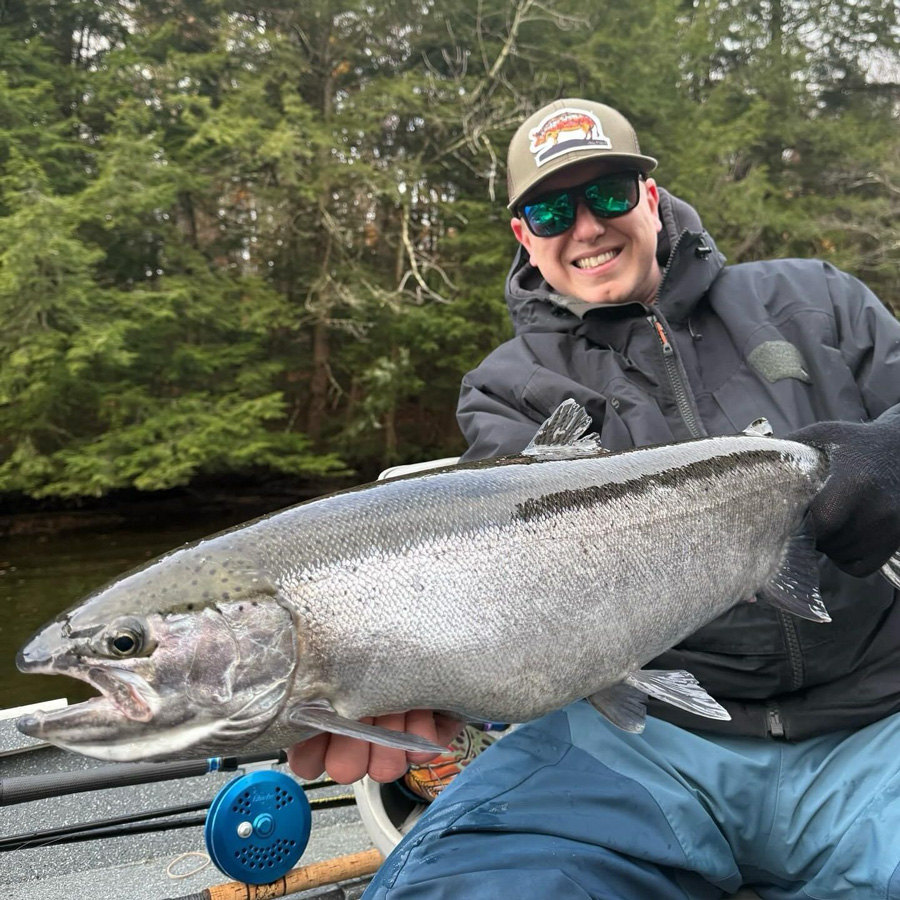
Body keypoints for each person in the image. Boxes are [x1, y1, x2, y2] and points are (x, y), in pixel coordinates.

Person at [290, 99, 900, 898]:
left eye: (607, 193)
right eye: (551, 211)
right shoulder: (507, 390)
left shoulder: (815, 299)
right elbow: (507, 588)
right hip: (639, 737)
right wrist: (431, 675)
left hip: (877, 720)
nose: (585, 227)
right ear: (524, 236)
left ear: (650, 196)